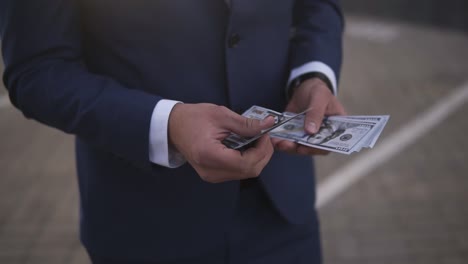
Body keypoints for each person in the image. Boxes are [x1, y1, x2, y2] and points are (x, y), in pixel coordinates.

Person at [0, 0, 346, 263]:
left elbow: (318, 7)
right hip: (146, 223)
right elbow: (37, 69)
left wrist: (313, 73)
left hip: (283, 212)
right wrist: (165, 124)